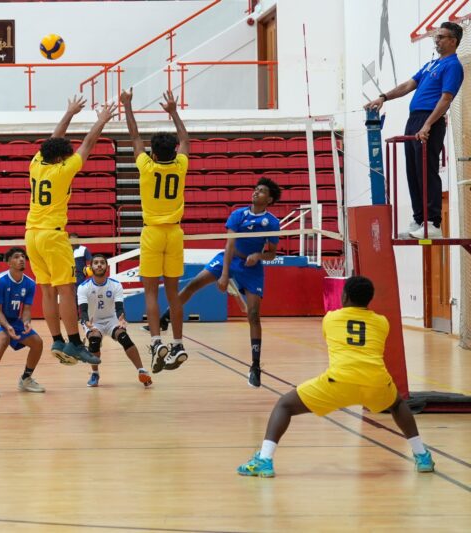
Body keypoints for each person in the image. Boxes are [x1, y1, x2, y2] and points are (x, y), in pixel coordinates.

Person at [238, 276, 435, 478]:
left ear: (345, 295)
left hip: (339, 381)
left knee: (284, 405)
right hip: (376, 382)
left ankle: (265, 460)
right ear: (369, 299)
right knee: (397, 405)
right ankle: (422, 456)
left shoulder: (330, 319)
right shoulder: (382, 322)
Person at [157, 178, 282, 387]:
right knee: (193, 285)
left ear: (269, 199)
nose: (256, 192)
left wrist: (258, 257)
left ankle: (255, 366)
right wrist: (224, 275)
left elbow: (271, 254)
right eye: (255, 189)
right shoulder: (238, 215)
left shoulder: (272, 222)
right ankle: (164, 318)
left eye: (261, 191)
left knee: (253, 315)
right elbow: (229, 244)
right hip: (230, 258)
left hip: (252, 268)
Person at [25, 95, 116, 367]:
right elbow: (88, 145)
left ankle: (56, 339)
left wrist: (69, 113)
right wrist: (100, 121)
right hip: (53, 235)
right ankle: (75, 343)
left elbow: (52, 139)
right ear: (61, 158)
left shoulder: (36, 164)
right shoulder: (63, 170)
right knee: (66, 289)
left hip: (31, 234)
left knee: (47, 291)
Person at [365, 22, 464, 239]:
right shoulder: (431, 65)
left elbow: (446, 98)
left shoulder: (453, 66)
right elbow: (408, 85)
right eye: (435, 37)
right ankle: (419, 219)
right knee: (413, 171)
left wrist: (428, 124)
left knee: (426, 170)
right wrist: (383, 98)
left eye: (441, 37)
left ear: (453, 41)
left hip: (430, 119)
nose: (436, 40)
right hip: (414, 119)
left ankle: (433, 223)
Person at [121, 88, 190, 374]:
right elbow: (186, 138)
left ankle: (156, 341)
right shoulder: (181, 165)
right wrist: (173, 111)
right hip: (175, 233)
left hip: (152, 233)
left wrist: (127, 105)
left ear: (152, 151)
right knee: (173, 293)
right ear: (173, 150)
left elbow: (134, 137)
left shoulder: (146, 167)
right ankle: (178, 343)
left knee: (150, 291)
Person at [0, 247, 46, 398]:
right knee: (3, 338)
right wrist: (7, 327)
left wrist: (27, 322)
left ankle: (25, 379)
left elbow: (26, 309)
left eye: (22, 257)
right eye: (16, 257)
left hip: (13, 319)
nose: (21, 259)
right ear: (8, 262)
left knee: (37, 342)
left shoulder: (30, 283)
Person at [77, 254, 152, 388]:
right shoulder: (83, 287)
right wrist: (86, 321)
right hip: (93, 321)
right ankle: (95, 373)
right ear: (91, 267)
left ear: (106, 267)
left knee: (124, 337)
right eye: (96, 263)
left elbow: (119, 307)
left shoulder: (116, 285)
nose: (99, 265)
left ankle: (141, 370)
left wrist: (121, 319)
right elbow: (82, 310)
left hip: (111, 319)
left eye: (102, 263)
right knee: (94, 340)